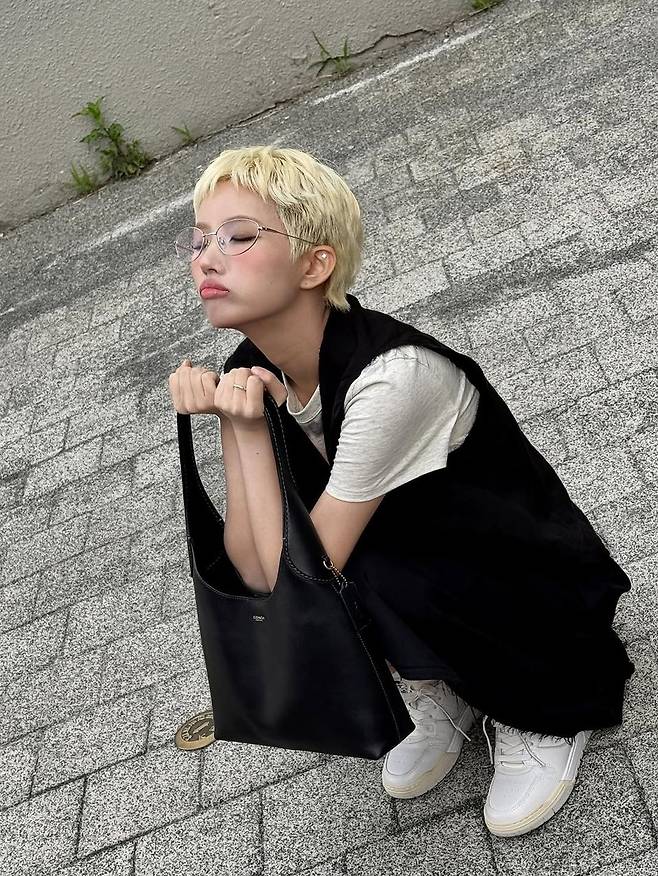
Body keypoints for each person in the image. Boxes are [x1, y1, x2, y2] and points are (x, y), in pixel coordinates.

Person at [168, 144, 635, 838]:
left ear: (314, 264)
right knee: (350, 566)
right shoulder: (253, 366)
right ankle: (441, 684)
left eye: (238, 237)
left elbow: (305, 574)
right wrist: (241, 429)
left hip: (521, 579)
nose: (207, 259)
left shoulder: (393, 379)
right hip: (423, 566)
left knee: (349, 564)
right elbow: (260, 574)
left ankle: (543, 711)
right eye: (200, 240)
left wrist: (251, 430)